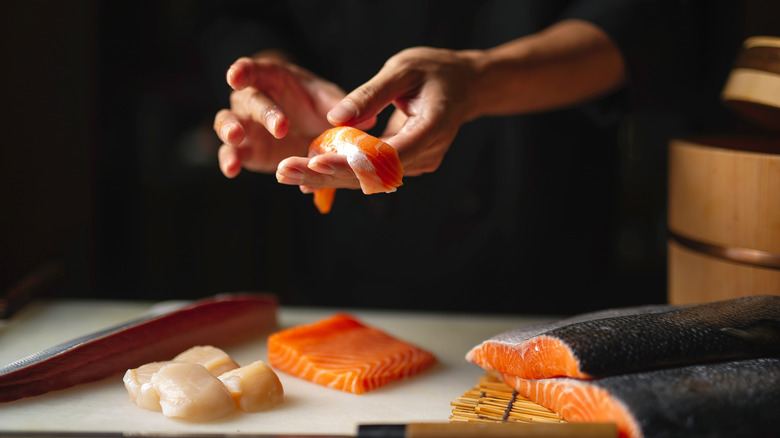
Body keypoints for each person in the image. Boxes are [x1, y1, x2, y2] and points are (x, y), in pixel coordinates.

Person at [207, 0, 735, 313]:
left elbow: (652, 18)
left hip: (542, 240)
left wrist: (478, 81)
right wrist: (271, 79)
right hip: (345, 263)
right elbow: (242, 14)